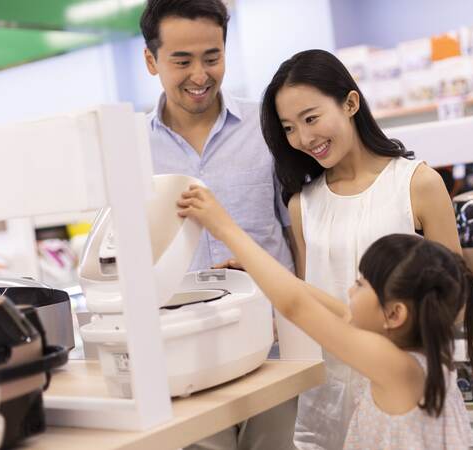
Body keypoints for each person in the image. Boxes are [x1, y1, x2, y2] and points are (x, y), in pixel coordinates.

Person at [259, 49, 463, 449]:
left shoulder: (417, 185)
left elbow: (456, 297)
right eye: (289, 128)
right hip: (327, 396)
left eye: (311, 118)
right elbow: (308, 301)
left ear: (350, 103)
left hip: (403, 394)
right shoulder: (303, 205)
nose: (303, 138)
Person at [177, 186, 473, 449]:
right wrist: (261, 275)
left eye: (361, 283)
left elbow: (297, 306)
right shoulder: (423, 355)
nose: (350, 290)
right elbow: (336, 310)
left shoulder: (395, 366)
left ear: (393, 314)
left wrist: (224, 229)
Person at [139, 1, 297, 448]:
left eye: (212, 58)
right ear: (151, 61)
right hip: (183, 355)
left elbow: (297, 233)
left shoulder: (267, 128)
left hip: (274, 345)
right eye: (181, 61)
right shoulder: (130, 149)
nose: (200, 75)